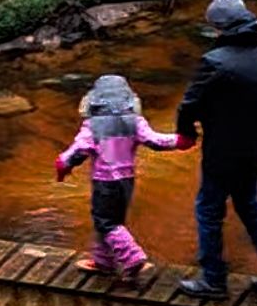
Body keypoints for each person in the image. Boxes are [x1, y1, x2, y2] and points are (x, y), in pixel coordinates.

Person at [176, 0, 257, 299]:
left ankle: (214, 280)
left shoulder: (214, 61)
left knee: (208, 211)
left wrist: (187, 134)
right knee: (250, 208)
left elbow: (190, 104)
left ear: (219, 27)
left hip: (221, 154)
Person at [56, 74, 193, 278]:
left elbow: (79, 150)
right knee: (112, 221)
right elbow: (155, 140)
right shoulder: (135, 122)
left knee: (105, 221)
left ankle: (132, 257)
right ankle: (103, 262)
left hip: (104, 182)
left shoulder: (93, 126)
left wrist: (63, 164)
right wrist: (179, 140)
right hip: (127, 181)